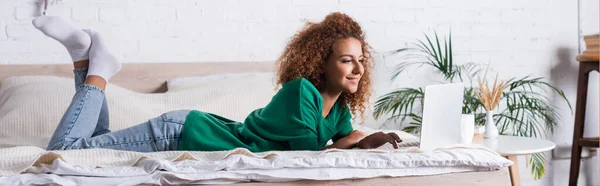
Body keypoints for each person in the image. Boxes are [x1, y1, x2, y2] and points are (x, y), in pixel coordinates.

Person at [35, 12, 401, 153]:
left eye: (361, 61)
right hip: (181, 133)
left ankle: (84, 58)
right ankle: (98, 70)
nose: (357, 69)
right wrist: (352, 140)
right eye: (346, 60)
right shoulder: (301, 92)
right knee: (64, 152)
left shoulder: (337, 110)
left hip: (185, 130)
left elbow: (337, 147)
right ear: (323, 62)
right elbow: (308, 156)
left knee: (92, 146)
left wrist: (364, 139)